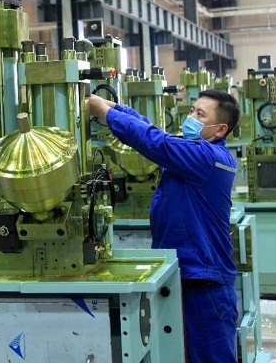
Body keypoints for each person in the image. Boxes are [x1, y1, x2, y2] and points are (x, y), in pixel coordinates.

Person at [88, 89, 240, 363]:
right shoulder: (196, 152)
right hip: (185, 278)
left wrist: (106, 113)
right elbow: (154, 131)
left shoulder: (209, 158)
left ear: (220, 129)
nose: (190, 118)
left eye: (200, 115)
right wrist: (116, 107)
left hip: (205, 287)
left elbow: (156, 142)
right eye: (192, 110)